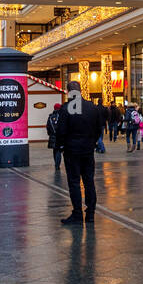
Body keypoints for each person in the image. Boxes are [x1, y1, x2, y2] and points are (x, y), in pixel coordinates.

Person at [54, 81, 107, 224]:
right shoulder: (92, 107)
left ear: (69, 92)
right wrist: (92, 142)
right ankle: (90, 213)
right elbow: (98, 129)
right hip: (87, 150)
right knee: (89, 181)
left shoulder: (66, 109)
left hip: (72, 151)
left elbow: (61, 131)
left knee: (74, 182)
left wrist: (60, 146)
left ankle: (77, 214)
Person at [46, 102, 63, 171]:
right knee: (59, 150)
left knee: (55, 150)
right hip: (60, 136)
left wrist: (50, 133)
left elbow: (48, 126)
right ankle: (57, 165)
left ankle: (56, 163)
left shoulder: (50, 117)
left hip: (53, 135)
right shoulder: (62, 116)